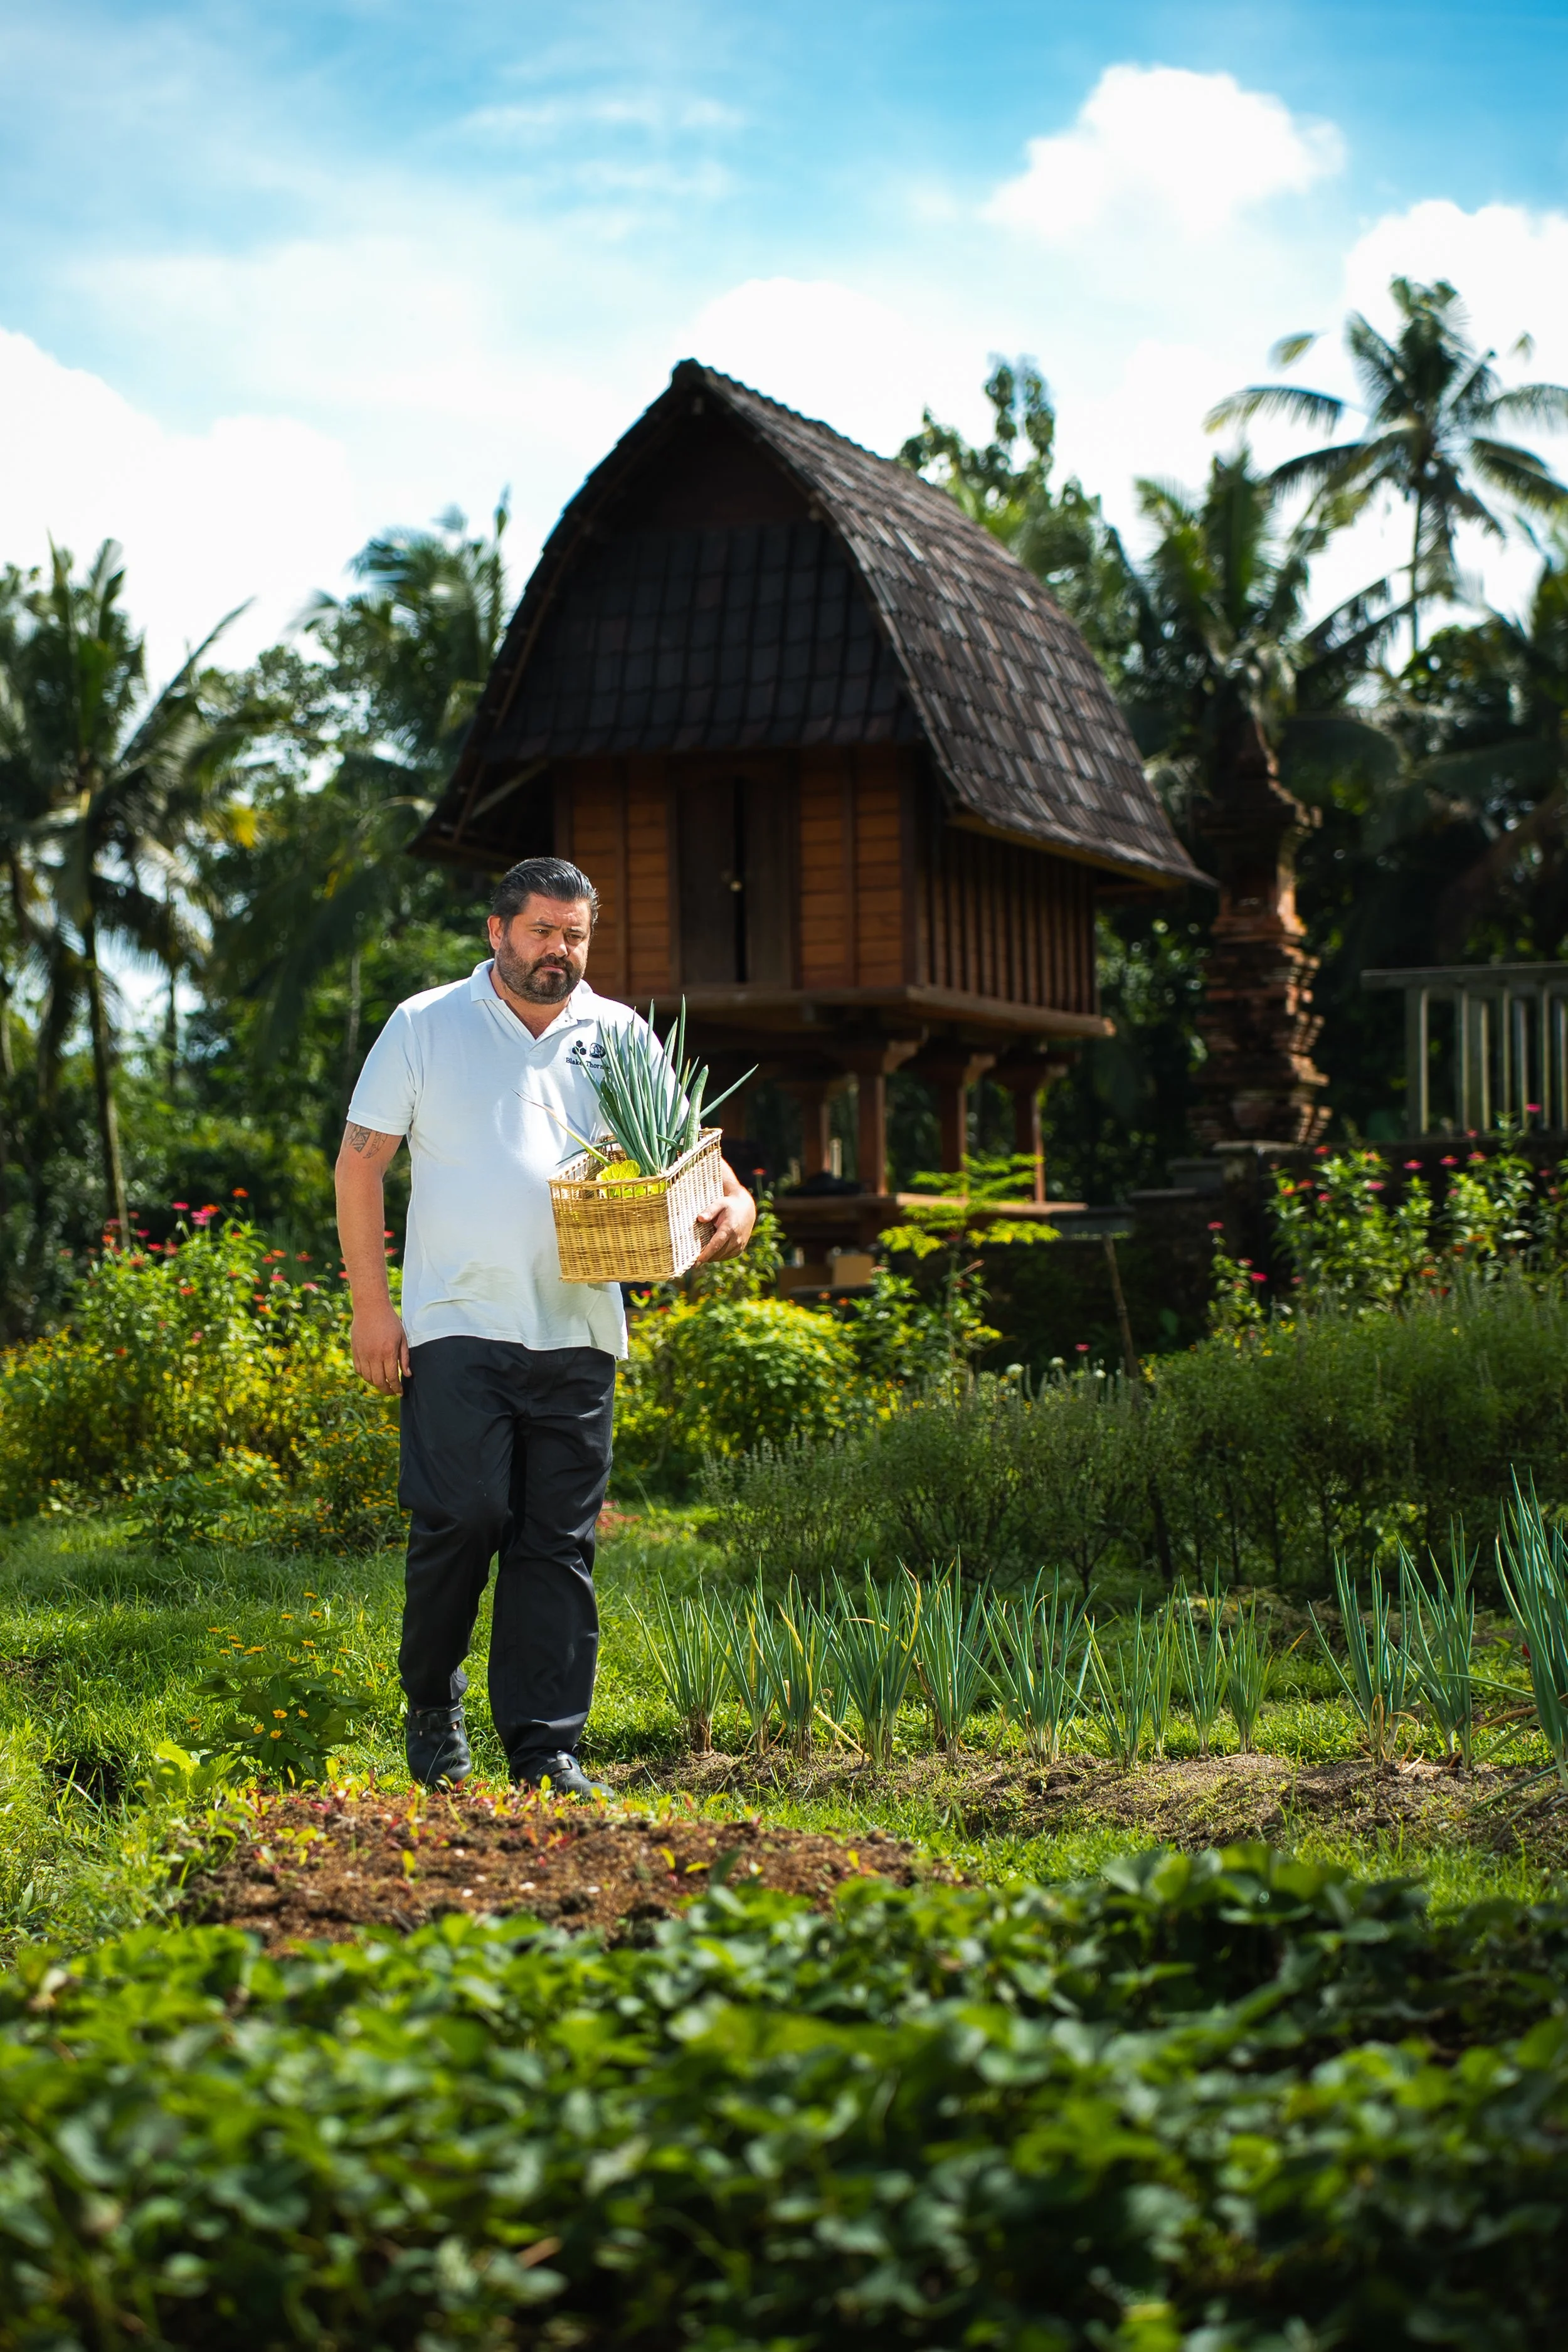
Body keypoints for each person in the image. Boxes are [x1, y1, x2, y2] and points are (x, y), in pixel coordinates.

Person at [335, 855, 757, 1794]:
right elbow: (358, 1166)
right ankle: (433, 1706)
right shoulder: (425, 1023)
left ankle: (545, 1751)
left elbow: (706, 1169)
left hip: (579, 1328)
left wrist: (739, 1212)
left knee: (556, 1544)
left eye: (575, 935)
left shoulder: (620, 1034)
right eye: (542, 931)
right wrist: (373, 1304)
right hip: (456, 1318)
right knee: (463, 1514)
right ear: (497, 931)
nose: (558, 951)